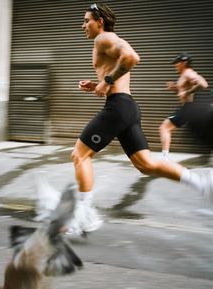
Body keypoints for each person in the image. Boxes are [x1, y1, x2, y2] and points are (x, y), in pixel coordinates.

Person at [68, 3, 213, 236]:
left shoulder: (102, 39)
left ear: (100, 22)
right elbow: (120, 69)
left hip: (118, 108)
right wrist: (98, 84)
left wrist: (107, 79)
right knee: (146, 164)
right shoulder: (109, 40)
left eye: (86, 20)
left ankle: (85, 217)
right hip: (127, 107)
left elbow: (132, 58)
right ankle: (201, 183)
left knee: (79, 155)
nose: (83, 25)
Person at [159, 53, 209, 159]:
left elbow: (203, 84)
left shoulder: (188, 73)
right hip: (191, 107)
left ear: (184, 63)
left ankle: (164, 158)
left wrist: (187, 93)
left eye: (177, 63)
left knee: (164, 128)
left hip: (190, 107)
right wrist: (175, 88)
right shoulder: (184, 75)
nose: (175, 65)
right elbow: (184, 89)